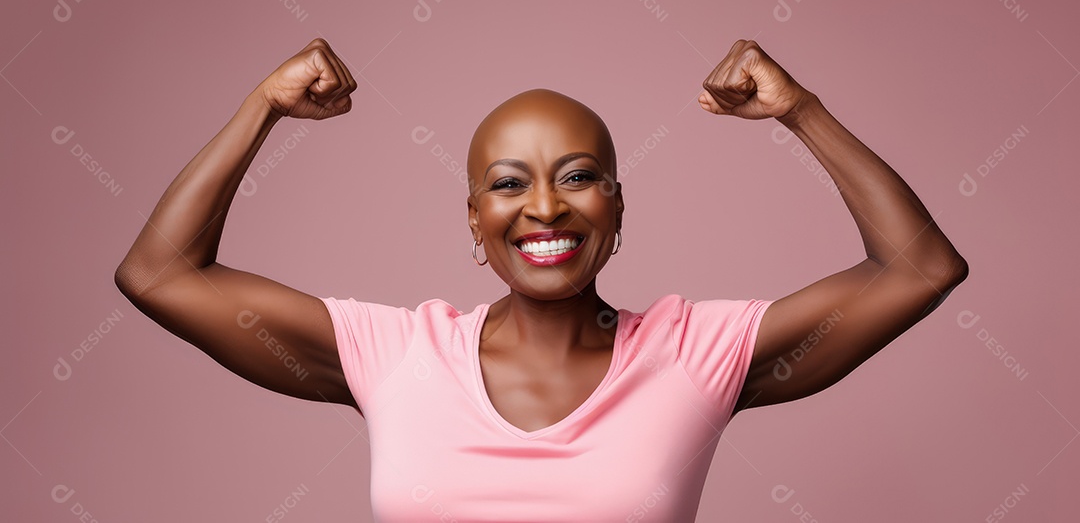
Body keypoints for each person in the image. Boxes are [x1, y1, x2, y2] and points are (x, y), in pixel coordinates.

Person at [115, 38, 968, 521]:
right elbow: (160, 273)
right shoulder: (397, 355)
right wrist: (263, 102)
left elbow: (919, 267)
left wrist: (799, 110)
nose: (547, 209)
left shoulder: (695, 355)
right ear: (475, 221)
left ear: (618, 206)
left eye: (579, 175)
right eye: (510, 183)